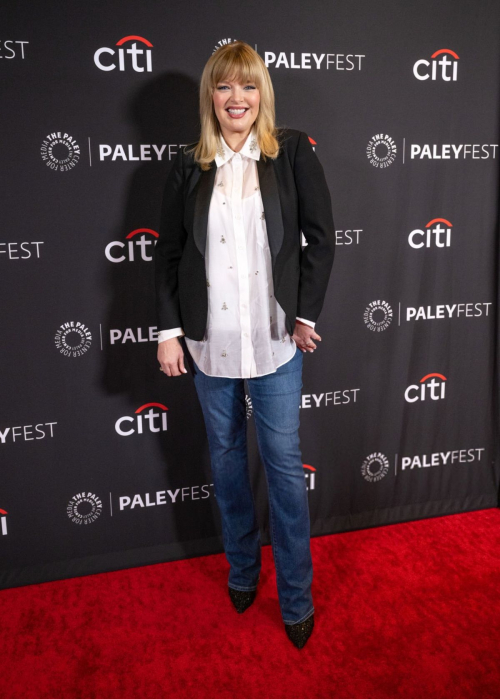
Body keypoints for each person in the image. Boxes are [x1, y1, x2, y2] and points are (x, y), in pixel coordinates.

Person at [154, 40, 335, 649]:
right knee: (227, 465)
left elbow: (320, 238)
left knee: (284, 472)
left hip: (276, 342)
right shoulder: (189, 164)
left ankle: (297, 599)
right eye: (226, 87)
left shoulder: (290, 154)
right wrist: (169, 330)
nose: (238, 98)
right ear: (212, 95)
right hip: (211, 348)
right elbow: (170, 256)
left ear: (264, 94)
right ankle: (241, 570)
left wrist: (306, 314)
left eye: (249, 86)